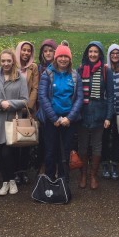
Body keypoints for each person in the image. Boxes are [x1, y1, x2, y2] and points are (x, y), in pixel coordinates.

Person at [37, 45, 83, 184]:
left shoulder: (75, 75)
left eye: (66, 57)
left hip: (68, 121)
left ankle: (63, 181)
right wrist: (54, 118)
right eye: (60, 56)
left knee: (65, 152)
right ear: (56, 58)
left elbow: (79, 98)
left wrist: (69, 118)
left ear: (70, 59)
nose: (63, 59)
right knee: (51, 151)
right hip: (52, 121)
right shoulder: (48, 74)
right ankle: (49, 181)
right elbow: (42, 97)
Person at [0, 49, 29, 196]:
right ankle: (6, 182)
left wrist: (8, 103)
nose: (6, 63)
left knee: (7, 152)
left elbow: (25, 100)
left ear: (13, 62)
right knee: (0, 153)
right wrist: (0, 103)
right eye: (3, 61)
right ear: (0, 61)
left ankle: (11, 180)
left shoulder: (20, 78)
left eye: (8, 61)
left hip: (12, 119)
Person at [77, 41, 114, 189]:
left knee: (97, 145)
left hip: (99, 111)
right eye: (90, 52)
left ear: (100, 54)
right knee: (83, 145)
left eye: (96, 52)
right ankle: (83, 175)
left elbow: (110, 96)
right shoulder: (80, 69)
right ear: (87, 53)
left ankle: (93, 175)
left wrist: (108, 117)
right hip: (83, 112)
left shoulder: (106, 70)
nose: (92, 54)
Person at [14, 41, 39, 185]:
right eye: (23, 50)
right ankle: (15, 171)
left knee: (26, 140)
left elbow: (35, 88)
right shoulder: (12, 64)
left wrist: (28, 106)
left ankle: (23, 171)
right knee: (14, 141)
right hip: (13, 109)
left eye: (28, 51)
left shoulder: (33, 67)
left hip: (27, 109)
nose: (26, 53)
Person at [102, 44, 119, 180]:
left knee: (117, 139)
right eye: (112, 53)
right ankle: (104, 164)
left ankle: (115, 165)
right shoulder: (105, 69)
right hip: (107, 110)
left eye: (118, 53)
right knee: (104, 138)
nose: (115, 55)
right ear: (109, 55)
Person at [36, 39, 58, 173]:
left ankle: (53, 167)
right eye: (45, 51)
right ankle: (43, 166)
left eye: (51, 51)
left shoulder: (60, 68)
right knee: (43, 141)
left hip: (56, 109)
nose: (48, 53)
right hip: (41, 110)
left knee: (54, 142)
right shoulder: (38, 68)